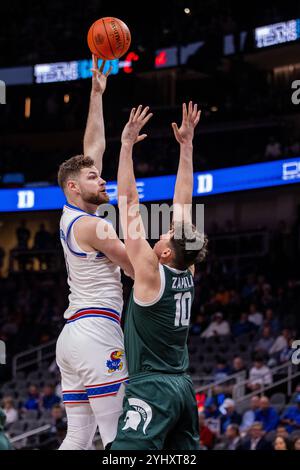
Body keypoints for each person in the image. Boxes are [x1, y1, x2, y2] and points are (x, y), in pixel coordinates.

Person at [111, 102, 207, 450]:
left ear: (166, 252)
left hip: (152, 388)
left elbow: (128, 202)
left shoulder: (151, 274)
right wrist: (186, 146)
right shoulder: (186, 269)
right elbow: (184, 202)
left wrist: (125, 146)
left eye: (164, 235)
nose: (160, 234)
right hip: (182, 389)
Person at [56, 56, 134, 450]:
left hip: (71, 337)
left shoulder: (72, 214)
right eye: (93, 177)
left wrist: (96, 93)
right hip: (96, 331)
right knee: (115, 437)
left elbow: (93, 146)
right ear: (73, 187)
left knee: (78, 437)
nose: (100, 179)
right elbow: (138, 269)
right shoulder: (94, 226)